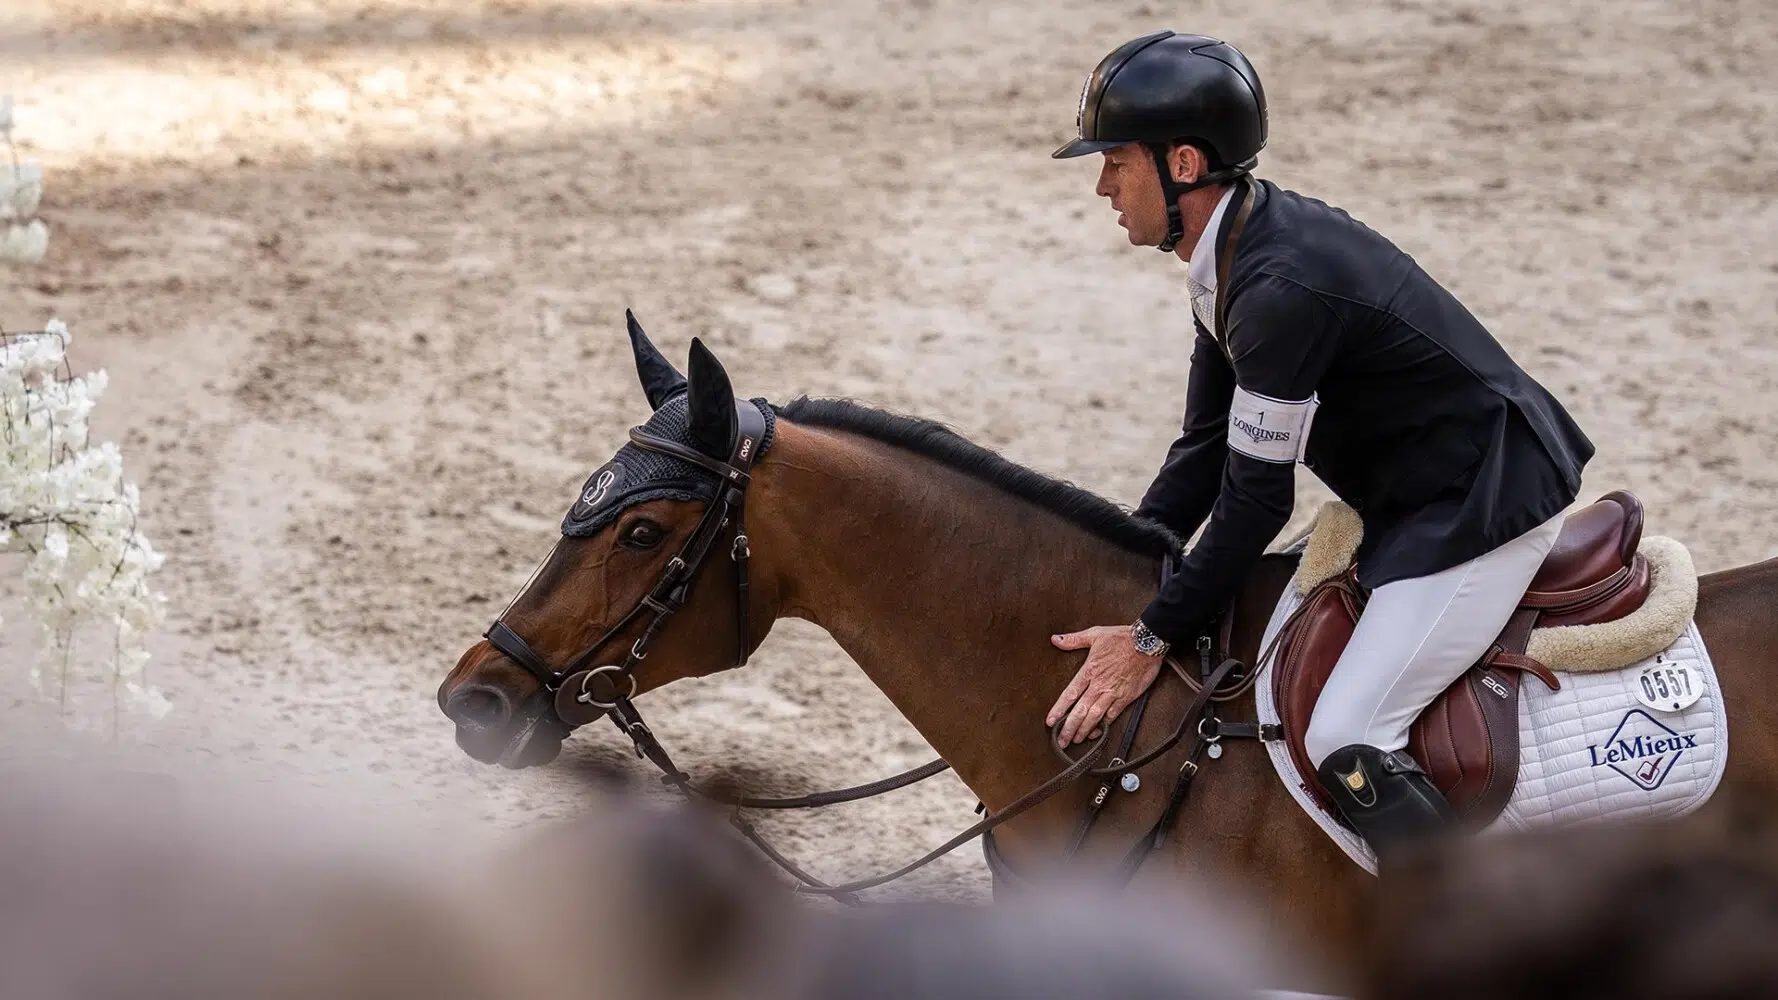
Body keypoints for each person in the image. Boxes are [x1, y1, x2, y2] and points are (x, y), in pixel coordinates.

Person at [1042, 31, 1593, 860]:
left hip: (1484, 505)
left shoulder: (1276, 291)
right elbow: (1203, 450)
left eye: (1116, 161)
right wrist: (1125, 565)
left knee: (1345, 735)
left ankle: (1475, 933)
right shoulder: (1229, 259)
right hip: (1414, 500)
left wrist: (1151, 638)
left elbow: (1260, 498)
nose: (1101, 185)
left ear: (1182, 165)